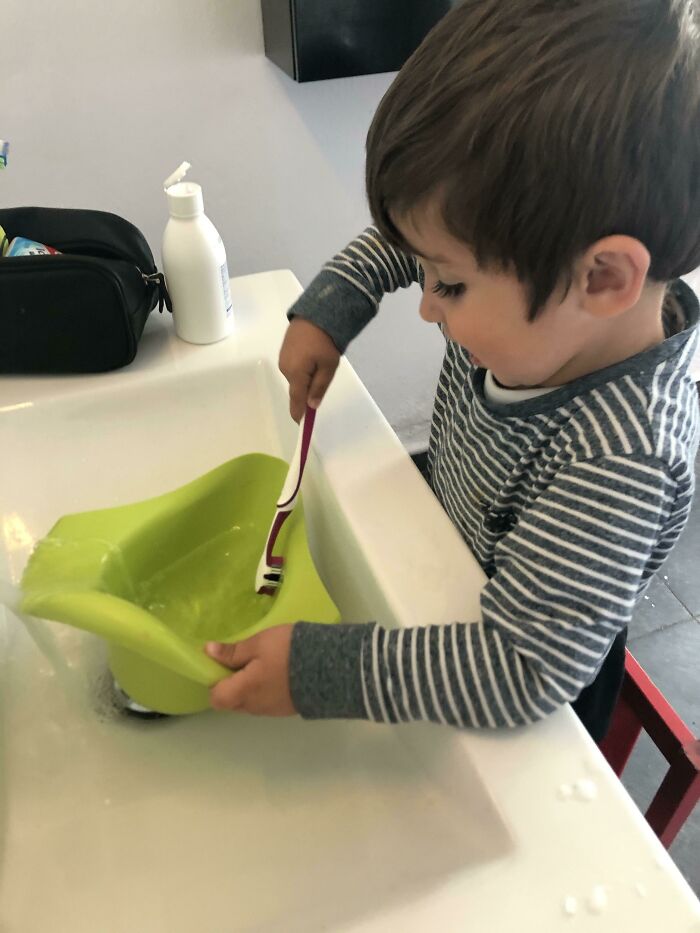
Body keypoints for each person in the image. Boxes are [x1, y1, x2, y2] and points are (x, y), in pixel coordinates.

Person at [206, 0, 700, 741]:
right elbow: (413, 240)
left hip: (530, 691)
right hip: (453, 555)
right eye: (432, 277)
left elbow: (518, 671)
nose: (429, 309)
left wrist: (319, 671)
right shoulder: (543, 293)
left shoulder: (622, 454)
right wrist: (335, 305)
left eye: (452, 286)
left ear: (602, 278)